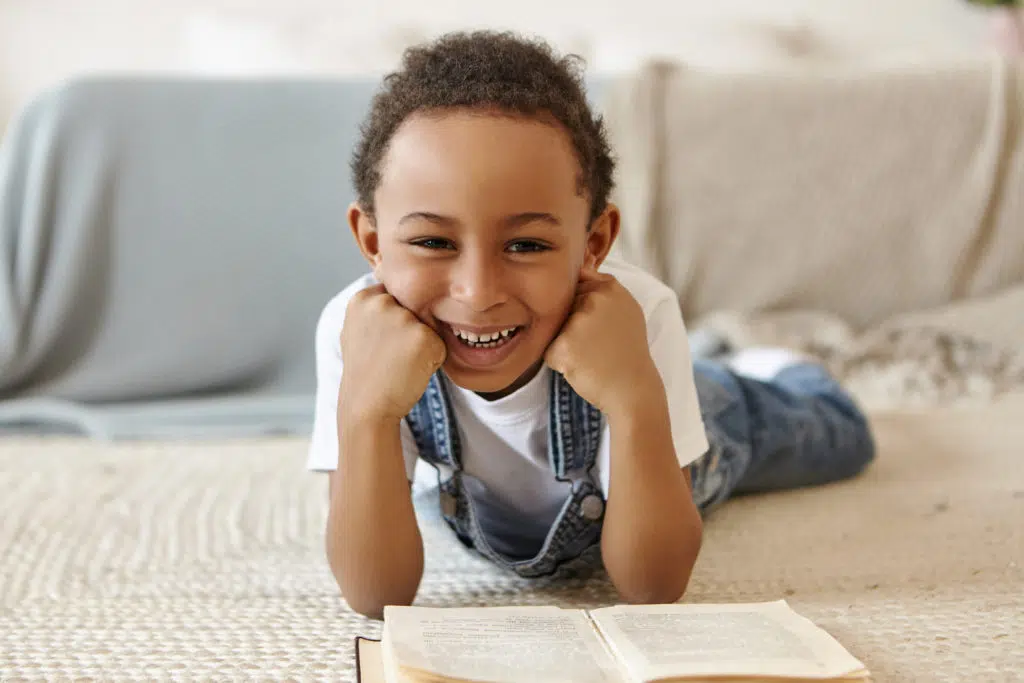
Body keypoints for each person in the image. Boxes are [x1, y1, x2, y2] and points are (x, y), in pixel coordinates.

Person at [307, 30, 875, 619]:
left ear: (593, 243)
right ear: (372, 242)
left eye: (525, 244)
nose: (477, 293)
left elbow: (653, 588)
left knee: (840, 436)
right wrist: (366, 414)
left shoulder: (639, 315)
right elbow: (376, 597)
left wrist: (635, 398)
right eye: (431, 241)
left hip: (679, 420)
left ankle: (758, 364)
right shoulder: (355, 330)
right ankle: (705, 355)